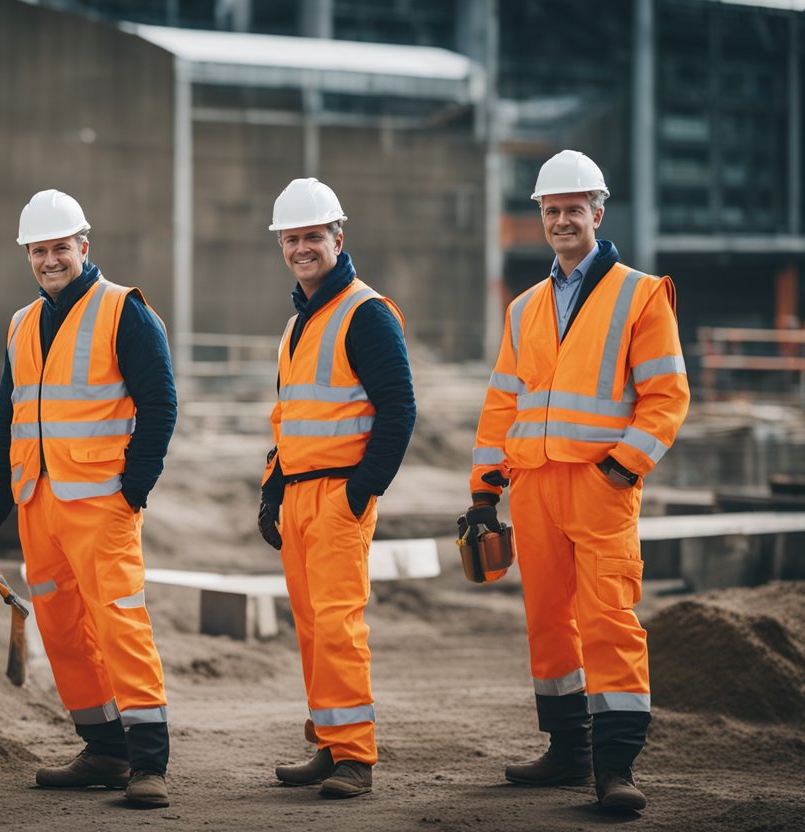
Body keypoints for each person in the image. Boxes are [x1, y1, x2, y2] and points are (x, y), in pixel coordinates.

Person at [467, 150, 689, 811]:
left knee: (609, 620)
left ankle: (616, 766)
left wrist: (623, 467)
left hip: (600, 488)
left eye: (574, 209)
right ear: (541, 216)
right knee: (549, 624)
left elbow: (667, 395)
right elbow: (503, 403)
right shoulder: (525, 308)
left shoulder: (641, 294)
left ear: (598, 210)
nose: (563, 220)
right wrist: (484, 492)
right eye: (551, 210)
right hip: (534, 487)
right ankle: (568, 751)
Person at [0, 189, 177, 808]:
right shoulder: (22, 324)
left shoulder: (124, 312)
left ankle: (149, 763)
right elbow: (8, 427)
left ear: (84, 245)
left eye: (60, 248)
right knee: (62, 629)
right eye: (39, 251)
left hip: (102, 504)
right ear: (28, 254)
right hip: (38, 507)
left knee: (120, 624)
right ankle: (104, 748)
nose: (50, 259)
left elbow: (161, 406)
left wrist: (133, 489)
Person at [258, 178, 416, 799]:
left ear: (337, 238)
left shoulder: (365, 313)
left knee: (339, 624)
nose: (302, 247)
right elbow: (288, 419)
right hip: (299, 493)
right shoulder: (298, 323)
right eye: (292, 238)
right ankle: (328, 742)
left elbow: (399, 411)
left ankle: (355, 755)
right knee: (312, 627)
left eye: (313, 237)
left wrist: (360, 493)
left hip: (338, 496)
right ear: (281, 244)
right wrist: (272, 491)